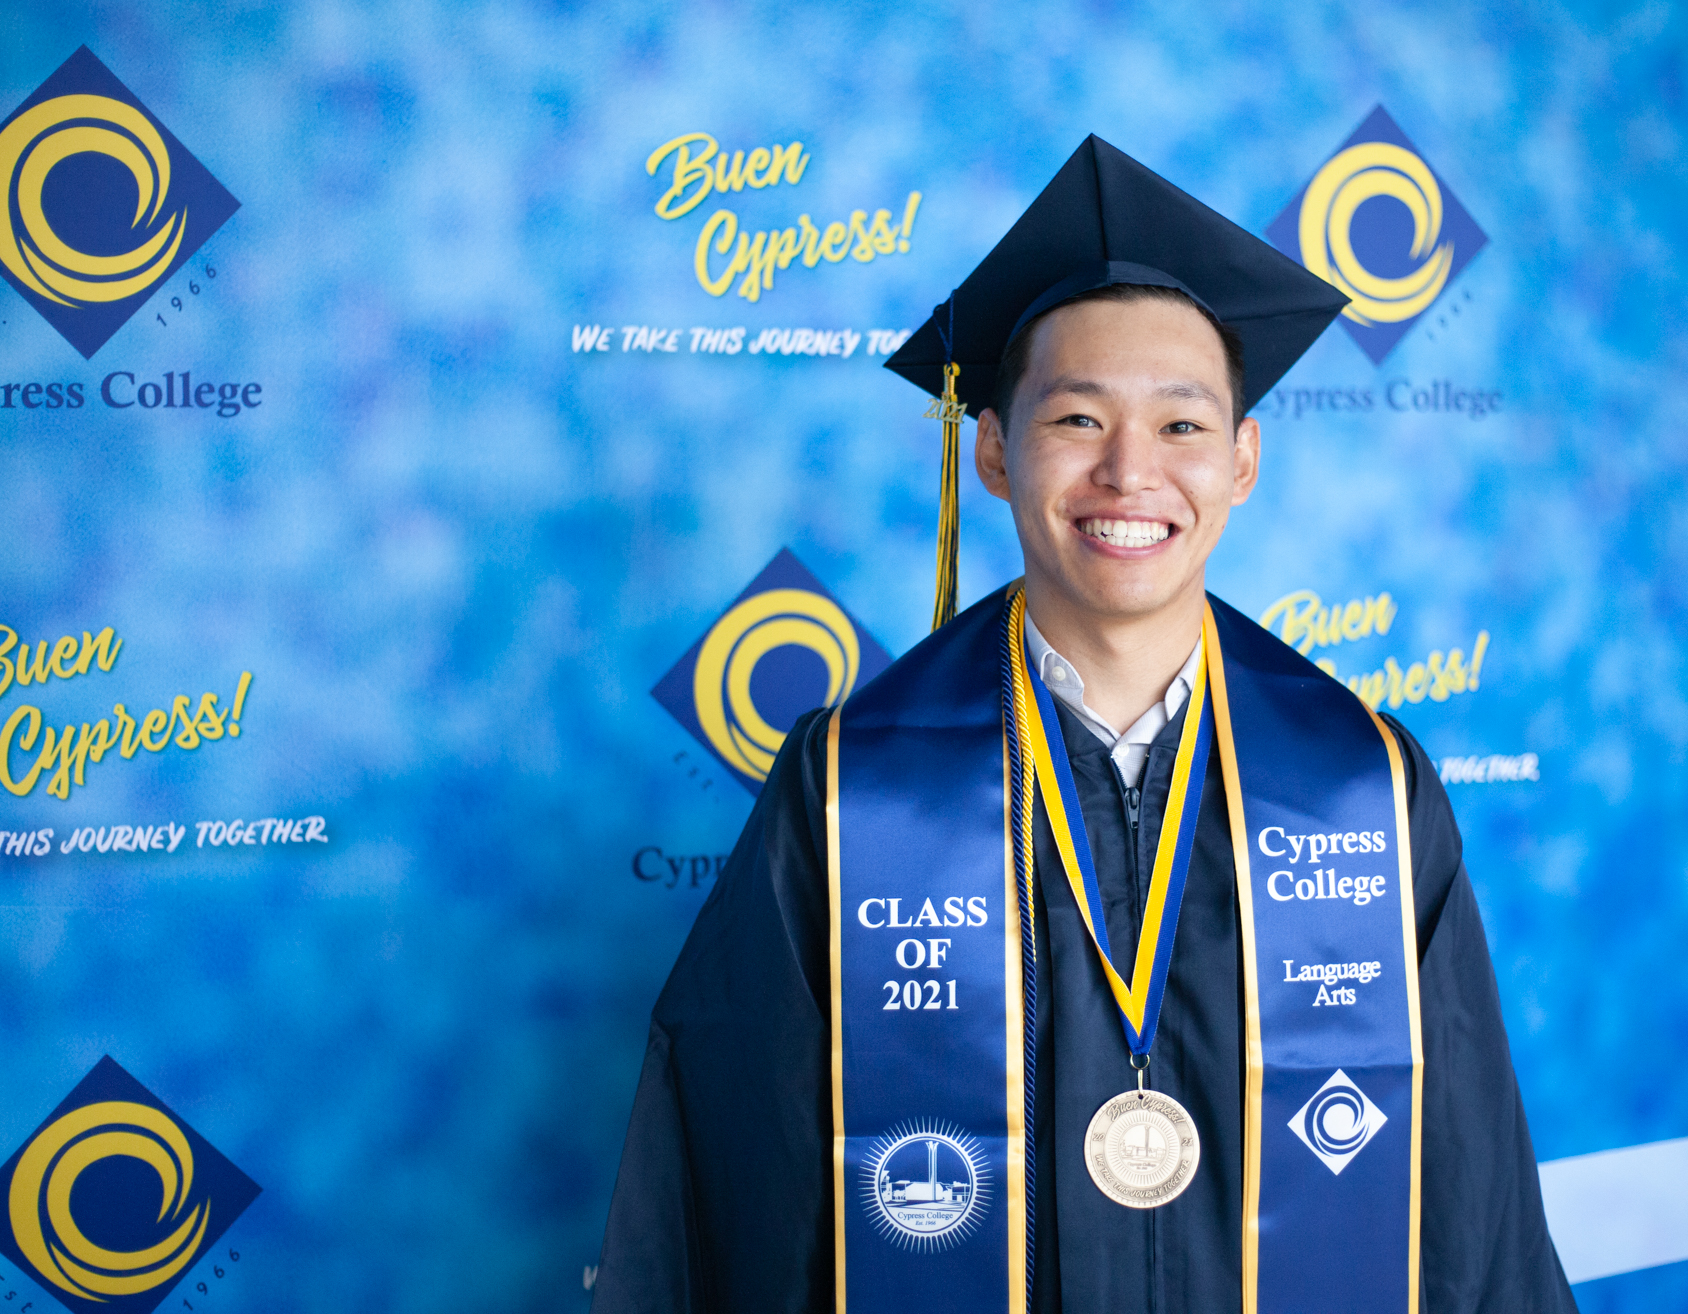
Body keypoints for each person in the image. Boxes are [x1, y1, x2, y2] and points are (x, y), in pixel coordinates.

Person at [591, 135, 1575, 1314]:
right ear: (995, 452)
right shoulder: (853, 794)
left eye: (1180, 426)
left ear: (1242, 460)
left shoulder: (1362, 789)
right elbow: (735, 1189)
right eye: (1074, 422)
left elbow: (1466, 1201)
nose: (1128, 474)